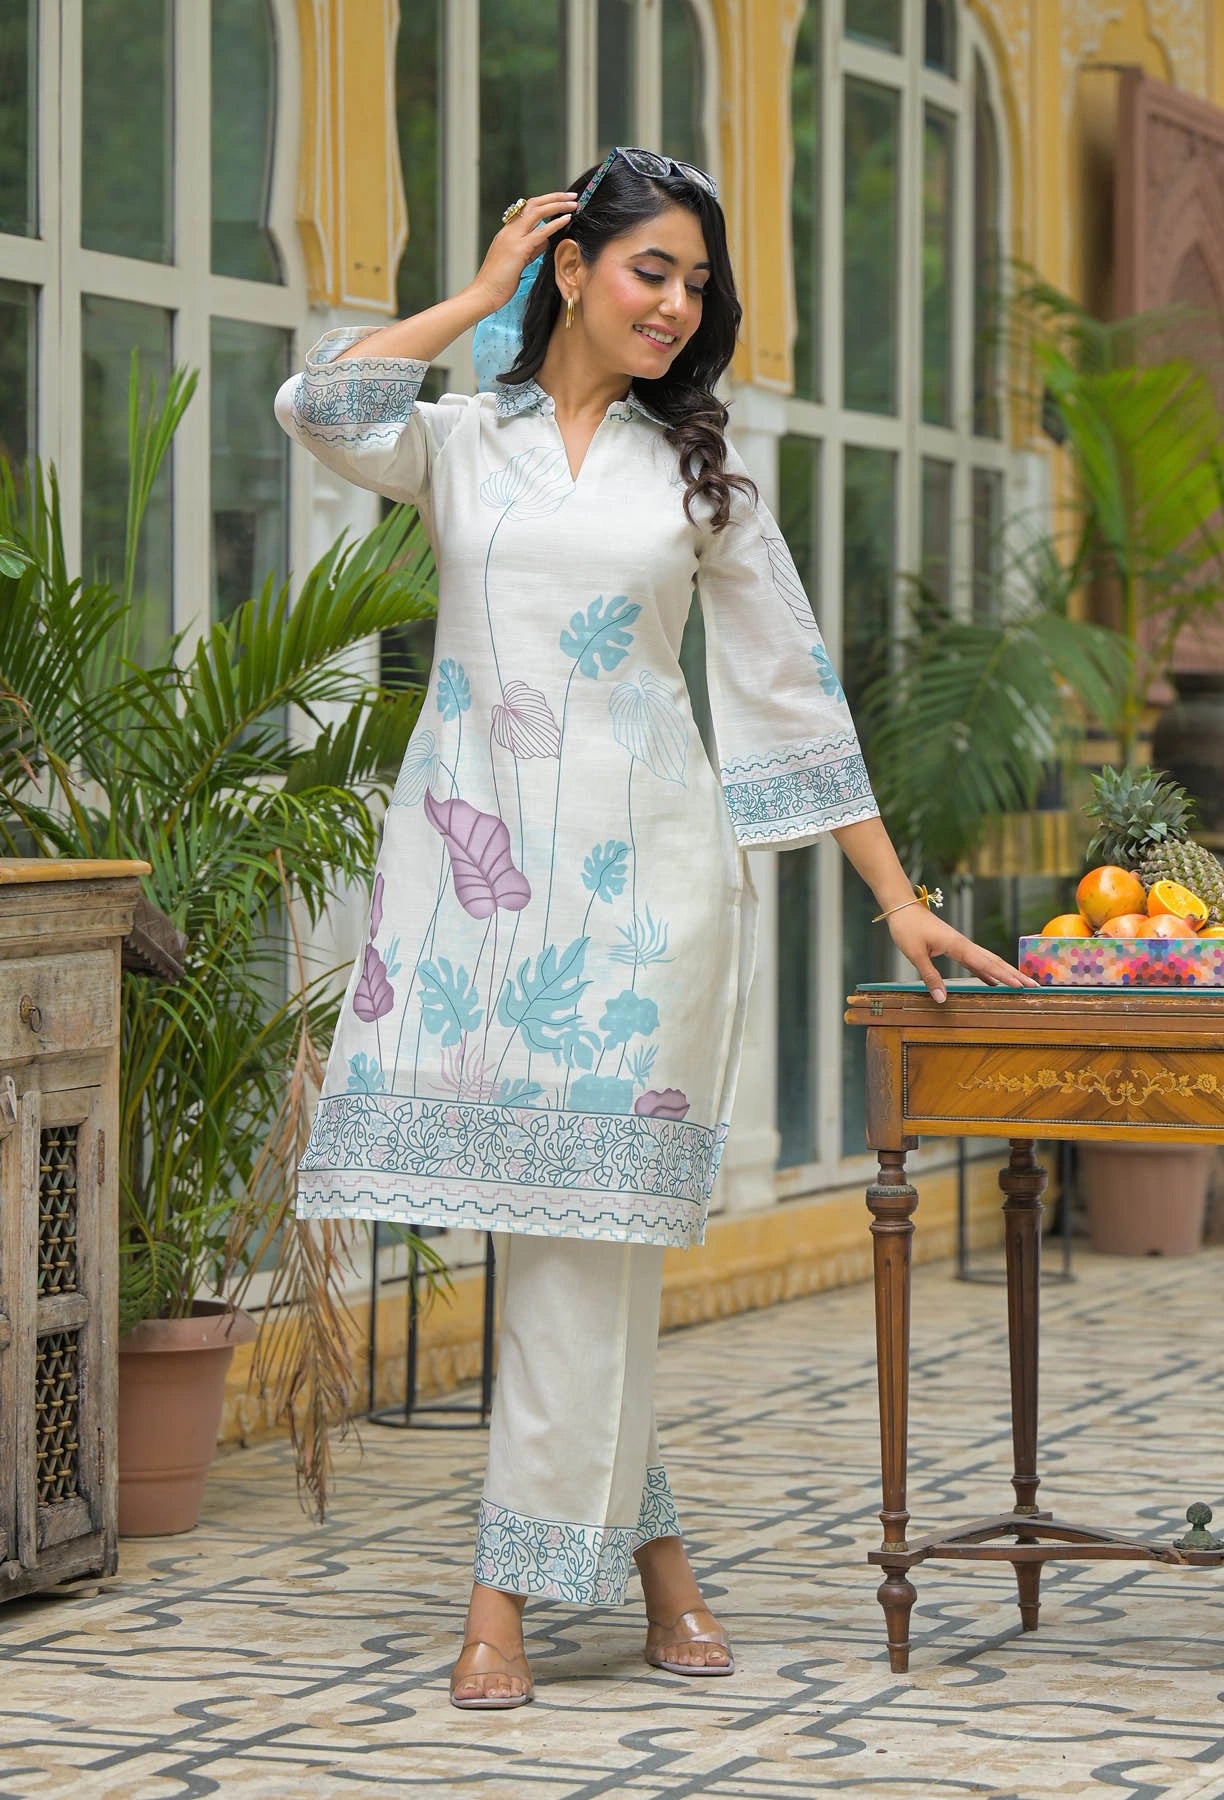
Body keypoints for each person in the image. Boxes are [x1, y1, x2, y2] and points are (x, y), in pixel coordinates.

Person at [274, 147, 1032, 1711]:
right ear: (572, 268)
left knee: (575, 1250)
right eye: (651, 273)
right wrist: (473, 297)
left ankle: (501, 1598)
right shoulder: (461, 446)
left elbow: (792, 699)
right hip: (470, 887)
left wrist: (901, 902)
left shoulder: (700, 472)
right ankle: (661, 1563)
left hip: (641, 901)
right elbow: (317, 405)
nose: (680, 308)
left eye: (699, 286)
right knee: (577, 1255)